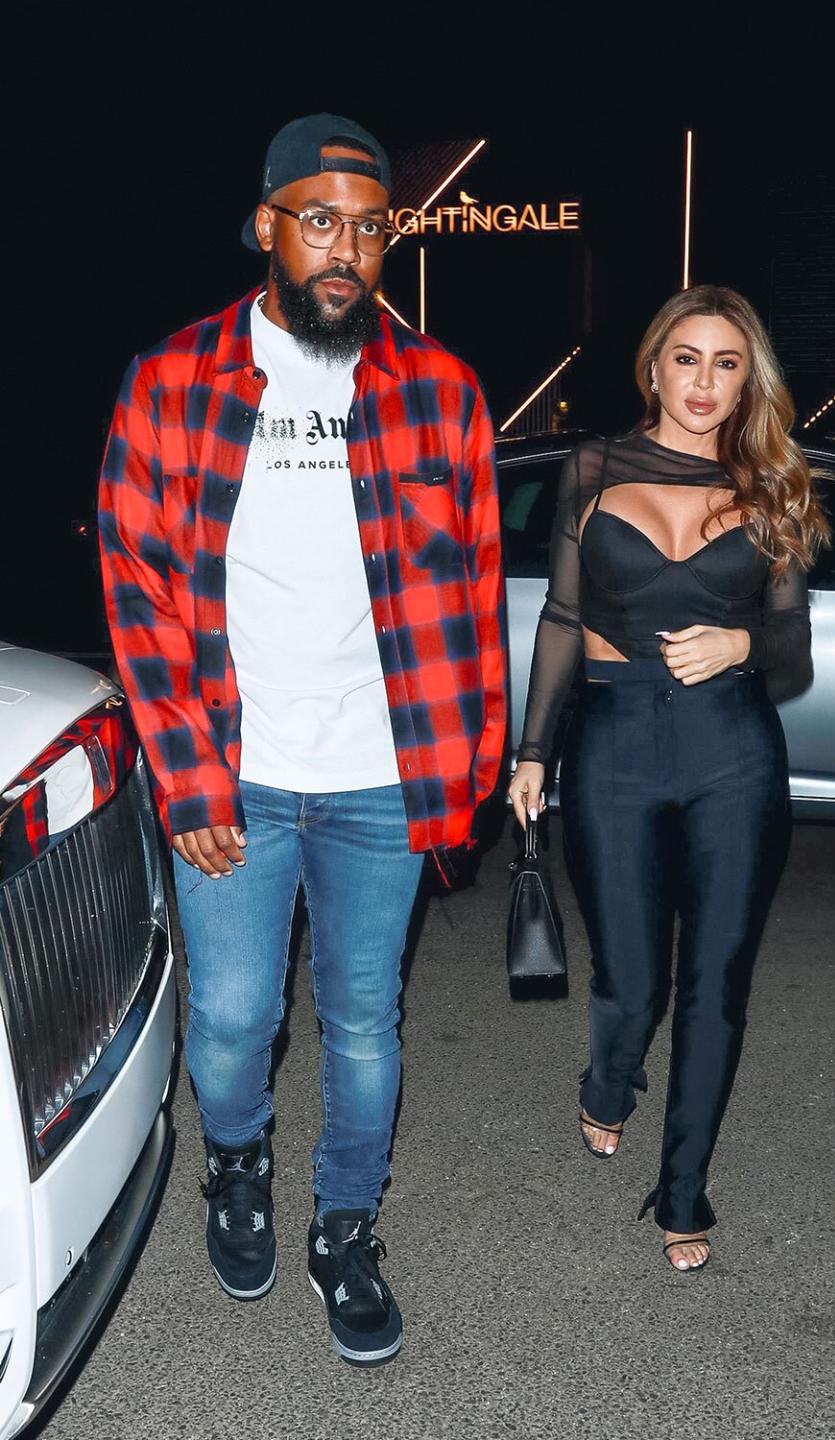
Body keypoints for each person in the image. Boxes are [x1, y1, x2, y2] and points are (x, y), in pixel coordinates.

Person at [99, 114, 506, 1364]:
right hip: (238, 775)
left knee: (365, 1021)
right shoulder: (174, 382)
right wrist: (185, 774)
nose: (347, 250)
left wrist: (469, 775)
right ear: (268, 223)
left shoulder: (439, 390)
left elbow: (477, 595)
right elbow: (139, 588)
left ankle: (344, 1227)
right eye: (321, 220)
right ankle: (236, 1164)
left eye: (370, 227)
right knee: (227, 1020)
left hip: (385, 780)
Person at [509, 285, 828, 1272]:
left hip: (733, 749)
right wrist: (533, 750)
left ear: (749, 381)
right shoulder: (592, 466)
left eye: (726, 363)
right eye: (686, 359)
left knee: (717, 985)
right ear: (653, 368)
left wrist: (743, 639)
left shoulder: (773, 482)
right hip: (612, 742)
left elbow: (793, 656)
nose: (704, 381)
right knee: (632, 981)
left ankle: (684, 1188)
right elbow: (563, 618)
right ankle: (611, 1078)